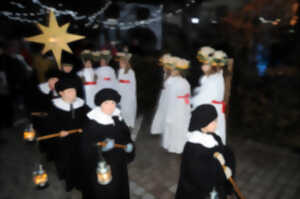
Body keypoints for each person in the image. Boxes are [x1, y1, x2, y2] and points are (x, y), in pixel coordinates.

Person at [80, 88, 135, 199]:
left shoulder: (117, 117)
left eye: (113, 103)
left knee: (120, 184)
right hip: (104, 164)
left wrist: (129, 145)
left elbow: (125, 135)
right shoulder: (93, 124)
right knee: (108, 190)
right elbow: (86, 147)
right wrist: (101, 148)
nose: (110, 106)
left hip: (119, 160)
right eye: (106, 103)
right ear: (100, 104)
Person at [175, 104, 235, 199]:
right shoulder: (193, 149)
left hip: (214, 186)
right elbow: (203, 177)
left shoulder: (214, 137)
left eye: (216, 120)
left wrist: (226, 155)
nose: (216, 124)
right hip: (198, 192)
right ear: (203, 123)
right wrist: (223, 174)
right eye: (213, 121)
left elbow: (223, 151)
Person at [45, 77, 90, 191]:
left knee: (80, 161)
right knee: (67, 162)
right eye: (69, 91)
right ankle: (70, 182)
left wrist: (85, 128)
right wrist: (58, 131)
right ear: (61, 93)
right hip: (64, 142)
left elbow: (89, 118)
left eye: (74, 90)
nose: (73, 93)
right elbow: (50, 124)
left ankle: (81, 183)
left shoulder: (81, 104)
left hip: (79, 139)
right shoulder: (55, 106)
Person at [192, 47, 227, 144]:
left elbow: (203, 97)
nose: (202, 66)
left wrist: (192, 102)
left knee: (208, 136)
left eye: (205, 64)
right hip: (213, 108)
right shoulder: (214, 77)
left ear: (212, 66)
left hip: (210, 111)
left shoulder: (213, 80)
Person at [160, 55, 191, 154]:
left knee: (178, 125)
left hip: (179, 107)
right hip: (178, 106)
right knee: (174, 125)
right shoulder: (176, 81)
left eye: (173, 70)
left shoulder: (182, 82)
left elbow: (176, 97)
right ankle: (171, 144)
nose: (171, 71)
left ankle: (178, 146)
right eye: (171, 69)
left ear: (179, 71)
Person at [150, 54, 172, 135]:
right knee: (161, 111)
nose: (163, 66)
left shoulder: (170, 73)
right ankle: (158, 129)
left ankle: (163, 129)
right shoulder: (164, 72)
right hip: (164, 94)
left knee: (165, 111)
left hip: (168, 95)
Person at [116, 51, 137, 129]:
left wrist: (132, 94)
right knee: (122, 108)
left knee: (128, 107)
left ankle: (129, 122)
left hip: (128, 92)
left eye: (121, 62)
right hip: (121, 92)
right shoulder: (119, 71)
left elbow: (133, 84)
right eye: (119, 62)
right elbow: (118, 82)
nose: (120, 64)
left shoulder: (131, 72)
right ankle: (122, 122)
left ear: (125, 63)